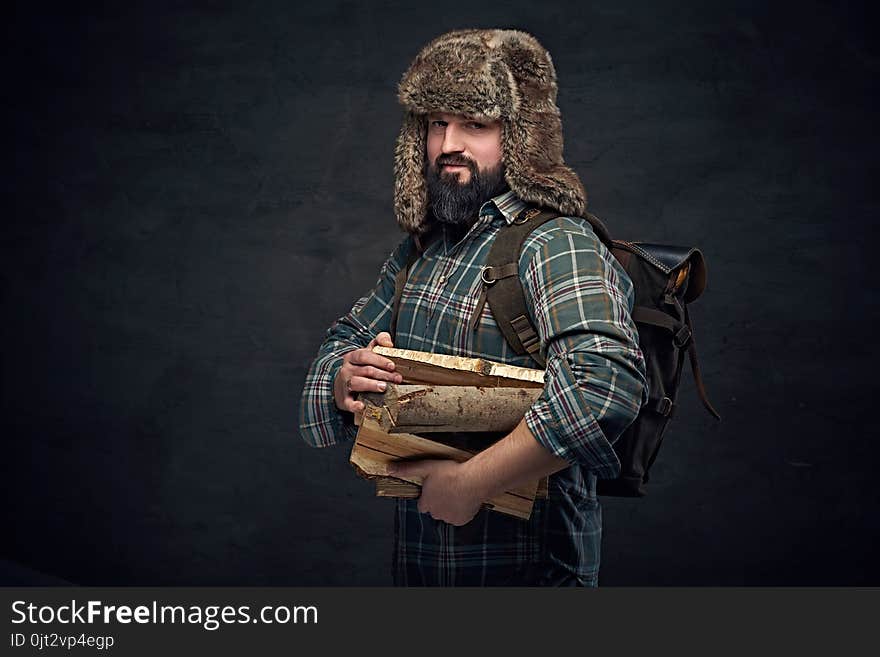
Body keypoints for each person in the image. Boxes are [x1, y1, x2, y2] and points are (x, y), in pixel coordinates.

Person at [299, 29, 647, 586]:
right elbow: (341, 340)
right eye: (437, 123)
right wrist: (346, 379)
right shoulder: (423, 251)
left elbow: (606, 386)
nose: (449, 143)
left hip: (530, 579)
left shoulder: (555, 244)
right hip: (426, 570)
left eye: (476, 125)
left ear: (520, 138)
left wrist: (473, 482)